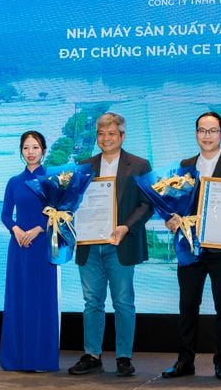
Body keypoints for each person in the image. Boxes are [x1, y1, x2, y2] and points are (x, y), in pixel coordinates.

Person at [161, 111, 221, 381]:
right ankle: (184, 361)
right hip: (190, 247)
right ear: (196, 133)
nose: (207, 136)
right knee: (187, 306)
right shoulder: (186, 165)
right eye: (202, 130)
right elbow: (176, 202)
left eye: (212, 131)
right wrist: (170, 219)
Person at [68, 112, 153, 377]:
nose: (106, 138)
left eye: (112, 133)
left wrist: (125, 226)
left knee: (123, 303)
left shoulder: (139, 165)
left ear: (122, 136)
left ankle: (124, 357)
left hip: (121, 244)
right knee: (92, 302)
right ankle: (92, 355)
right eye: (101, 134)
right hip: (90, 245)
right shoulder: (84, 166)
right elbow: (73, 202)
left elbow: (147, 204)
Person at [0, 130, 60, 372]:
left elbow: (61, 213)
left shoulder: (53, 180)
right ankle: (16, 359)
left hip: (42, 246)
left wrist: (38, 229)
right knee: (18, 299)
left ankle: (41, 359)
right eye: (26, 148)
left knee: (41, 300)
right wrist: (15, 229)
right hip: (19, 247)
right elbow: (5, 215)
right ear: (21, 151)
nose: (30, 152)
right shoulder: (14, 182)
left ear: (43, 150)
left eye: (35, 147)